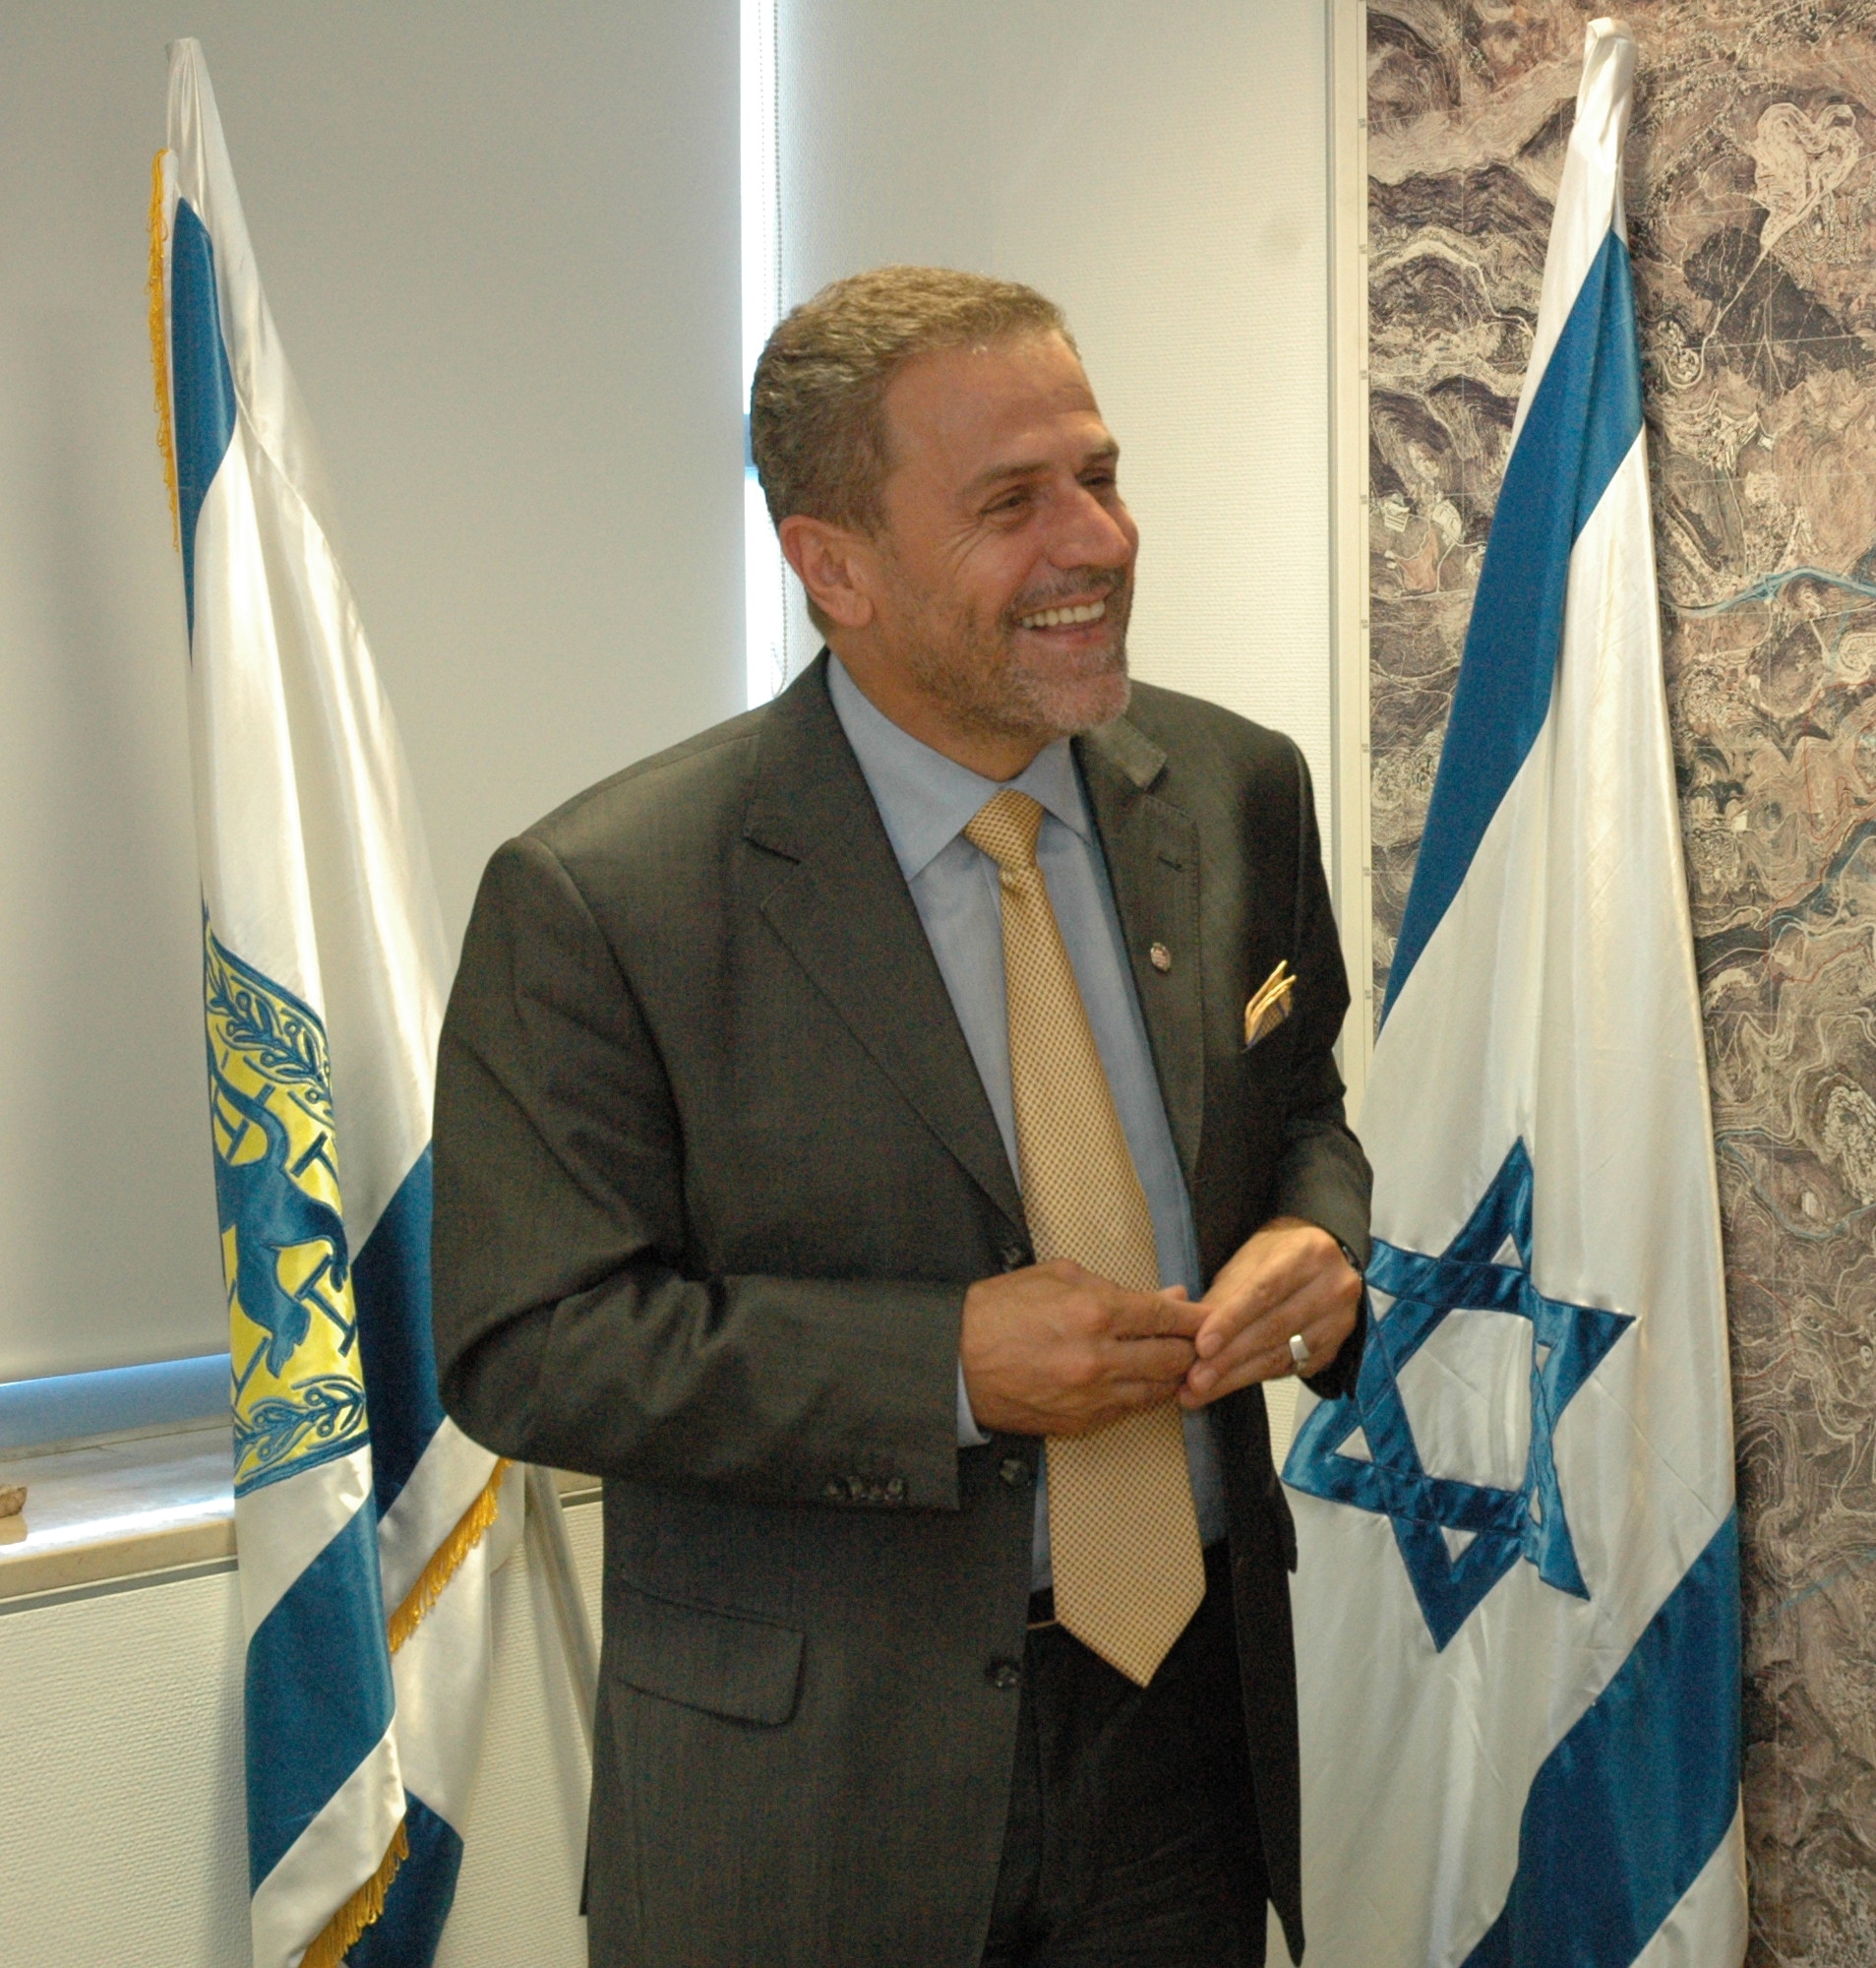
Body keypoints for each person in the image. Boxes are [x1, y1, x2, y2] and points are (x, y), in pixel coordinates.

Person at [434, 267, 1368, 1966]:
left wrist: (1319, 1242)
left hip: (1183, 1740)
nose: (1097, 540)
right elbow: (528, 1346)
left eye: (1100, 475)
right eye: (1013, 504)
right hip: (810, 1796)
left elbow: (1302, 1104)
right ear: (833, 567)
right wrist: (942, 1368)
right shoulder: (609, 895)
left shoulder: (1237, 788)